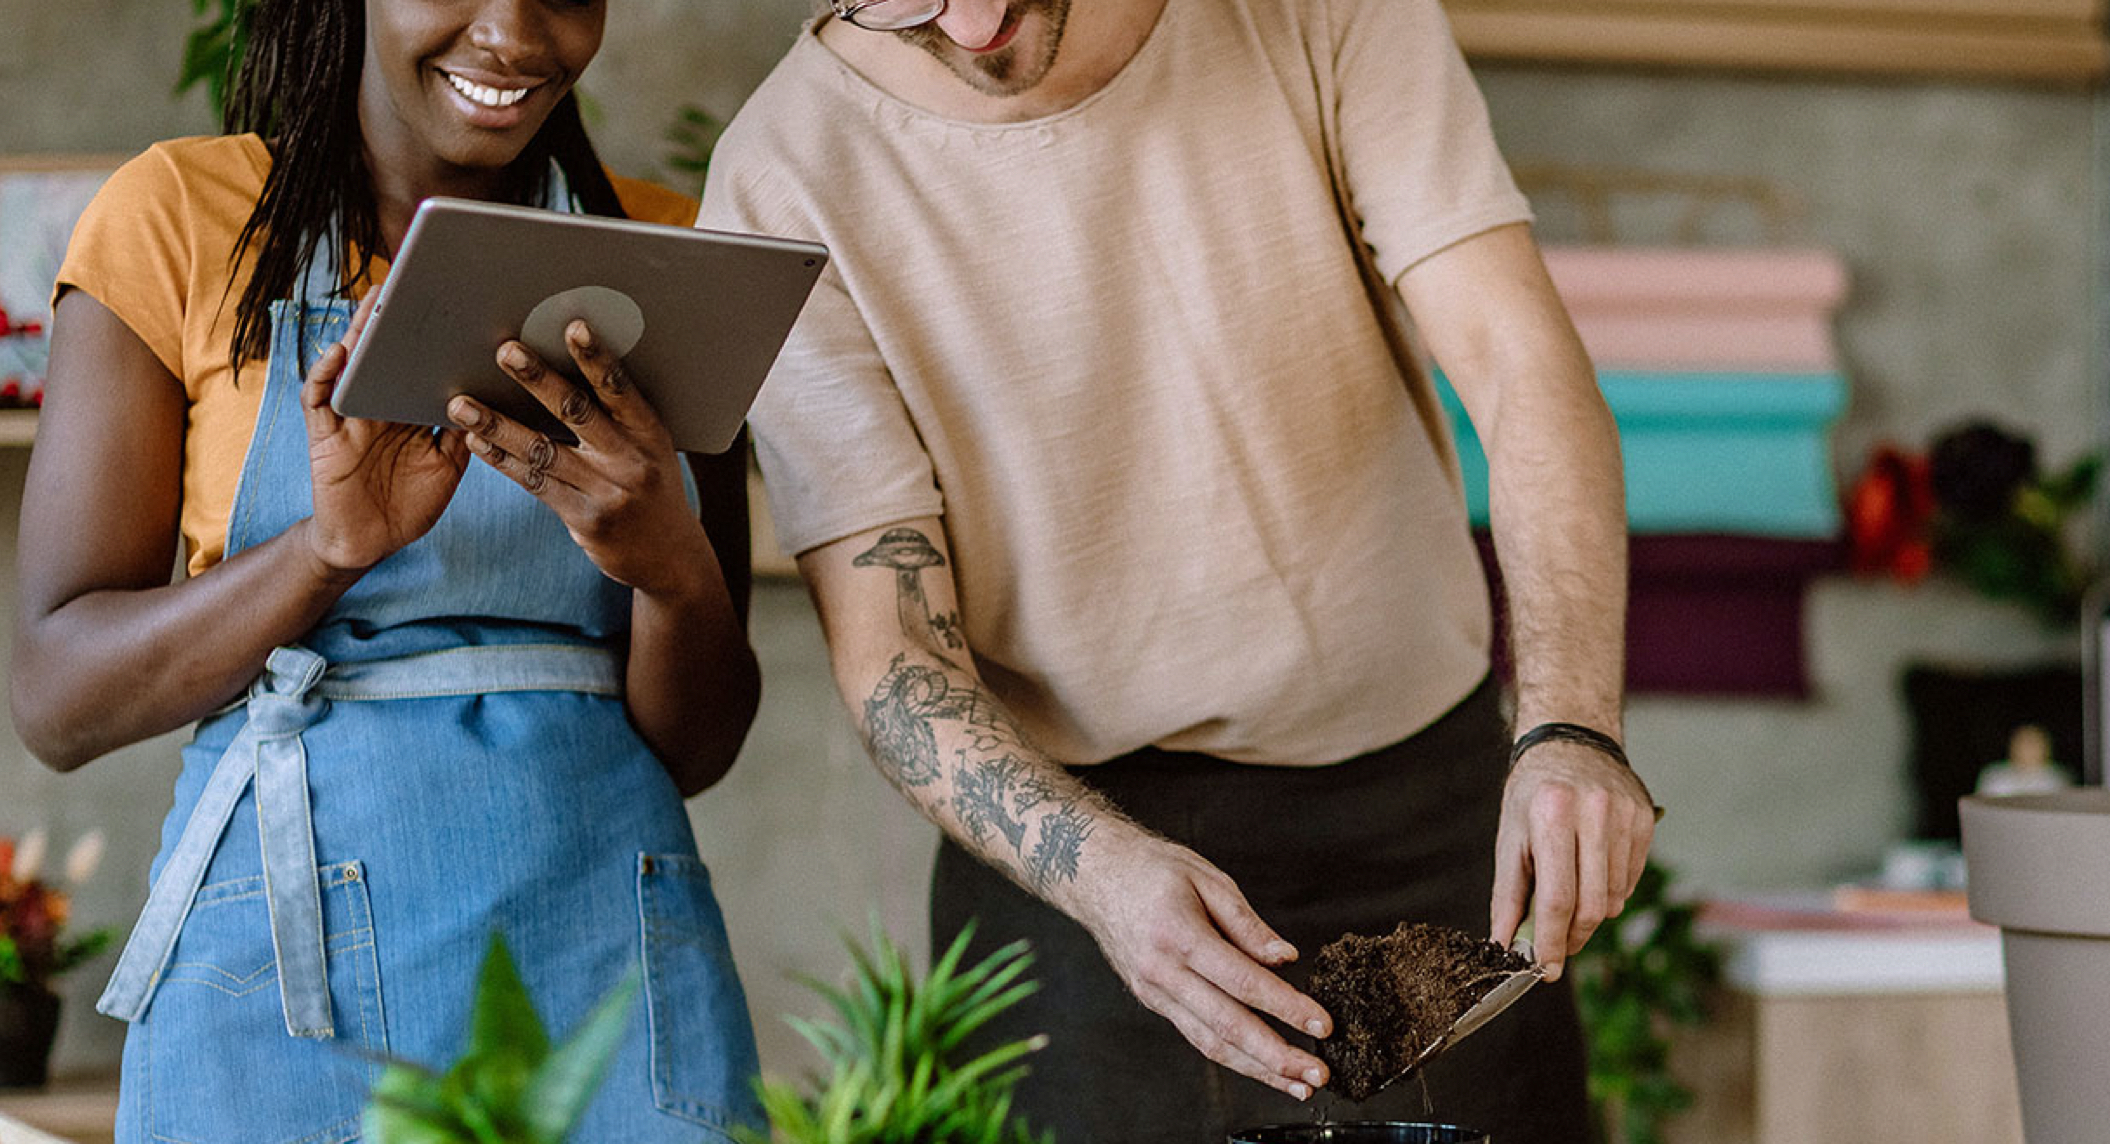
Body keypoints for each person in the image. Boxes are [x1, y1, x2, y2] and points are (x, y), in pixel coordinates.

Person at [701, 0, 1656, 1137]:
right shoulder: (779, 180)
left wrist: (1574, 724)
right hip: (1076, 869)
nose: (969, 20)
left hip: (1427, 812)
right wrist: (1102, 875)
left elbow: (1516, 363)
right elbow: (892, 649)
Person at [11, 0, 766, 1137]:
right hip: (282, 977)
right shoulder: (176, 219)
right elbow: (57, 699)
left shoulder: (670, 262)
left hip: (611, 970)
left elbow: (697, 749)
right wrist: (323, 553)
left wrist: (674, 577)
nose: (513, 31)